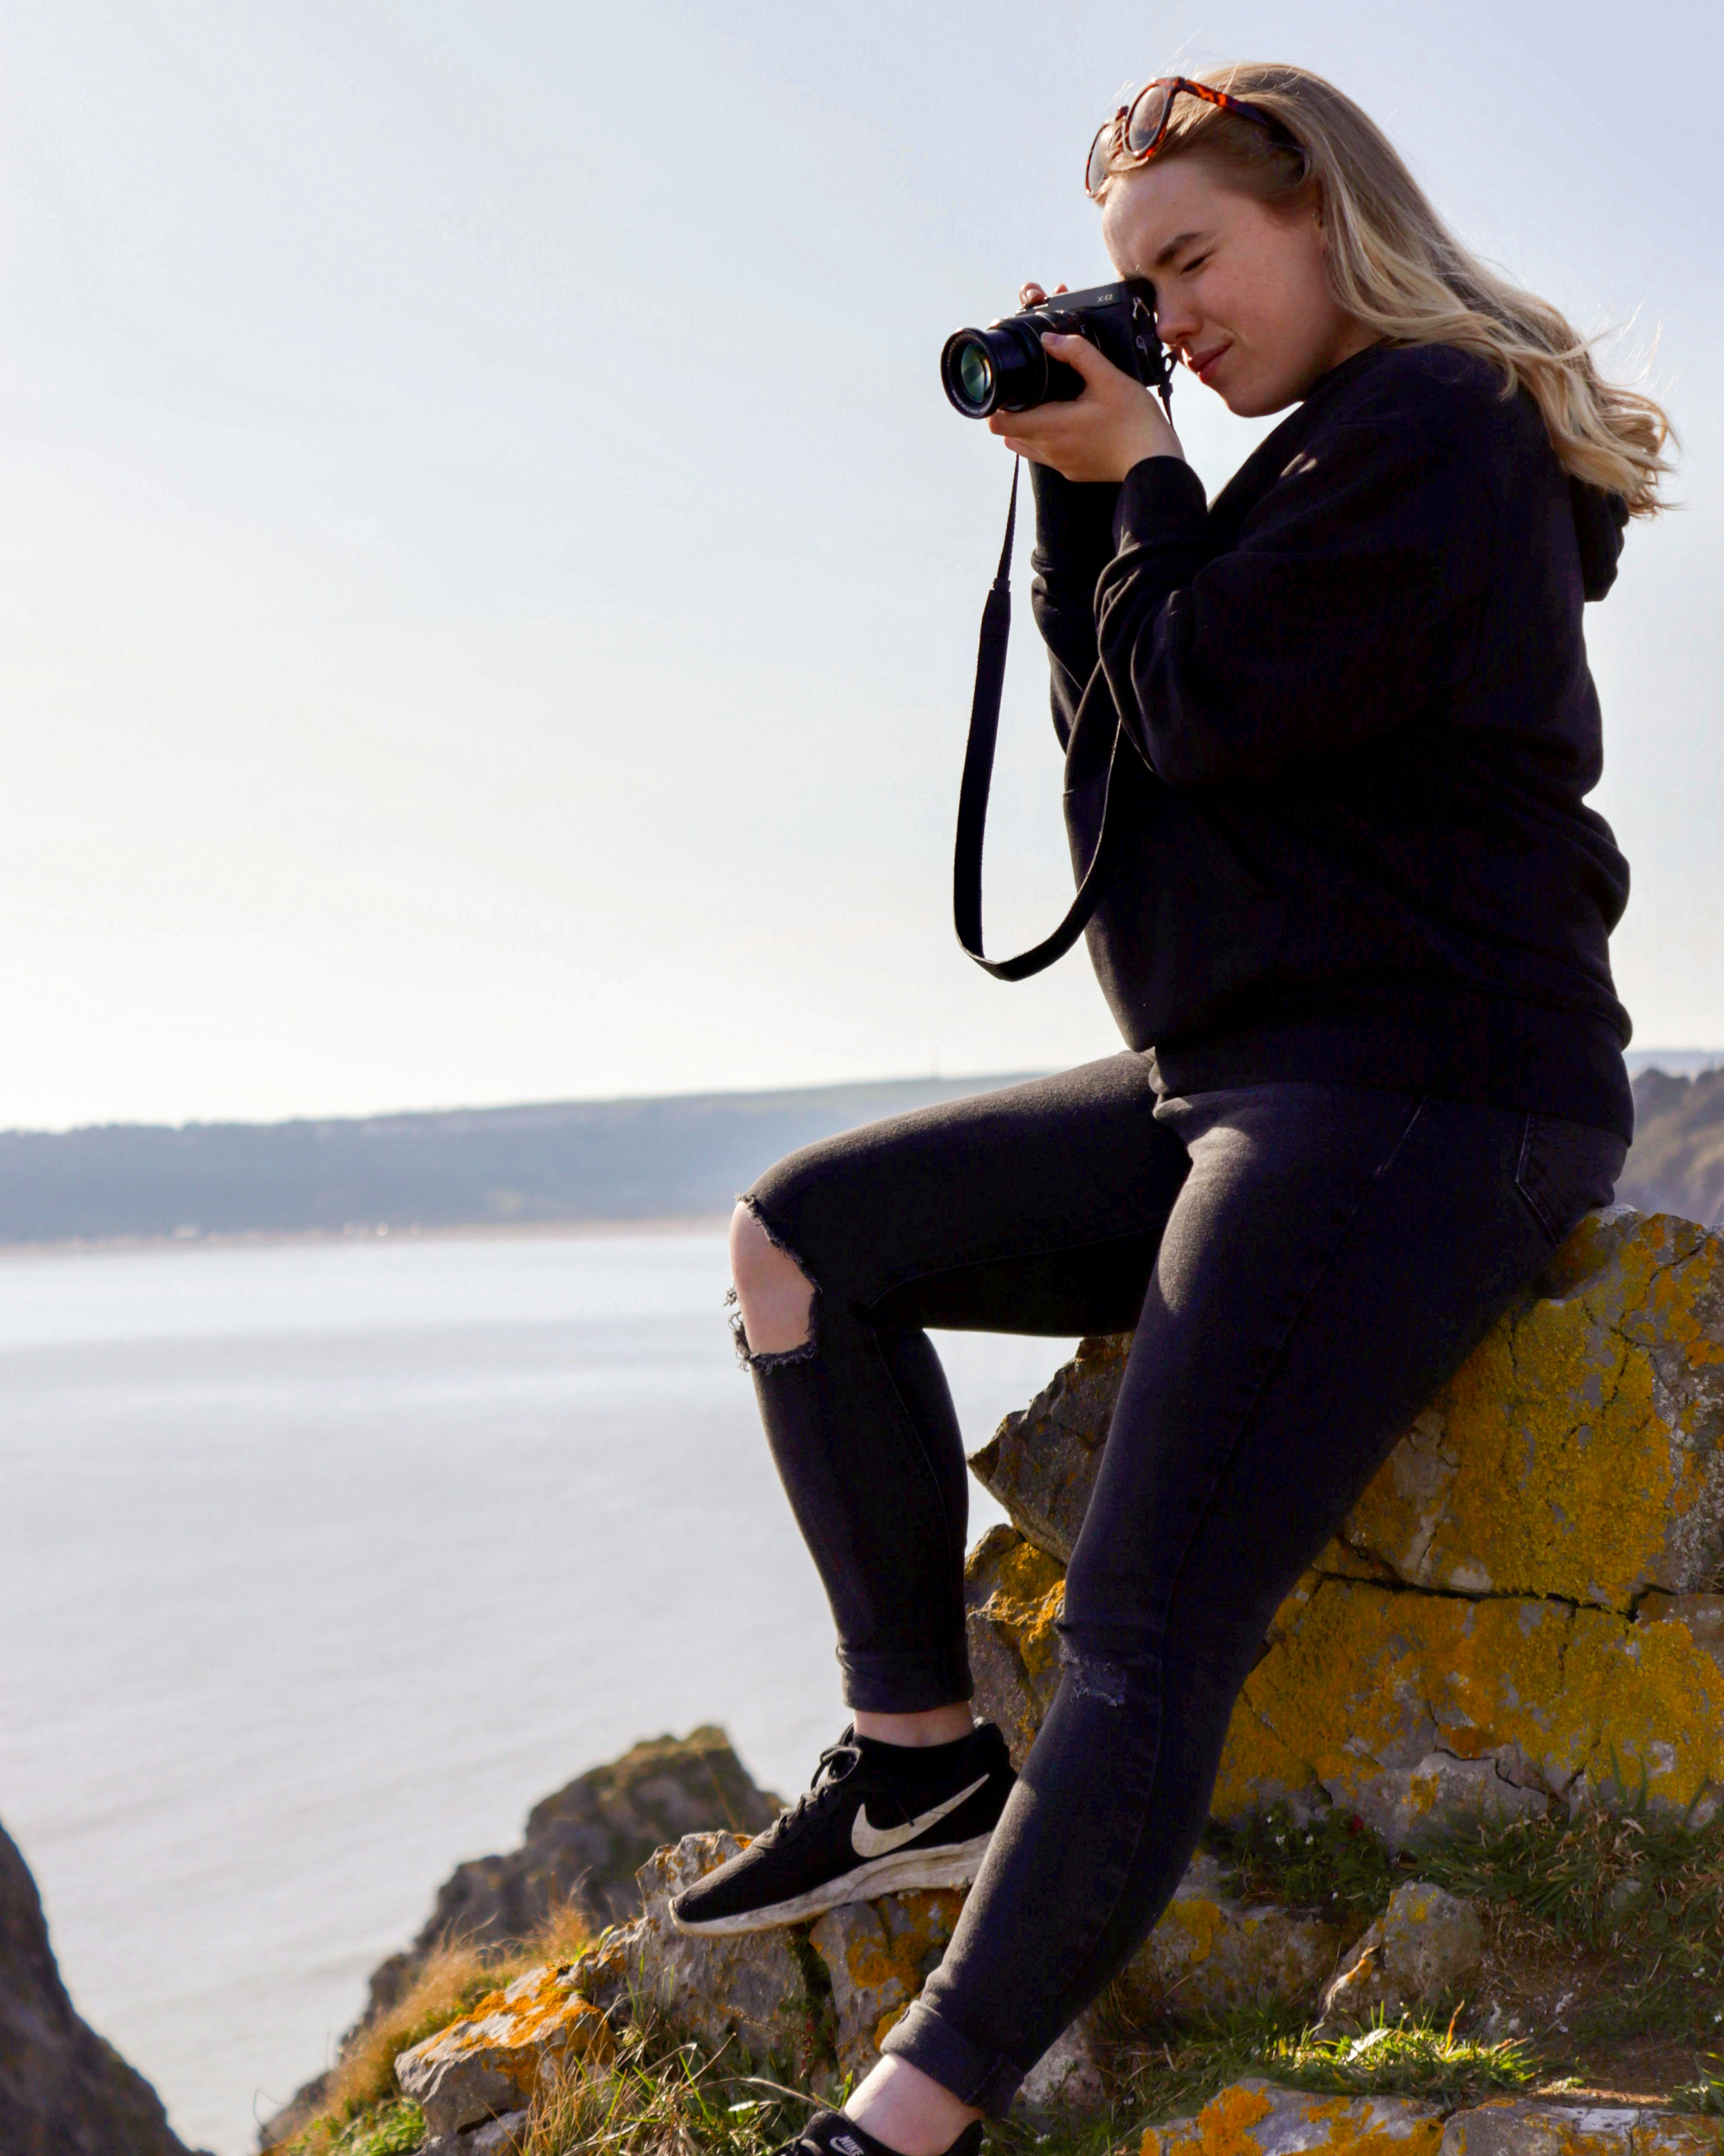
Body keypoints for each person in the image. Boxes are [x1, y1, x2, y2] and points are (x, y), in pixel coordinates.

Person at [671, 61, 1671, 2156]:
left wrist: (1145, 473)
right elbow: (1133, 752)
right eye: (1141, 283)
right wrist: (1079, 477)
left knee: (1142, 1628)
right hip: (1233, 1074)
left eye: (1192, 262)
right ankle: (918, 1751)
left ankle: (897, 2126)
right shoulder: (1296, 468)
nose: (1177, 317)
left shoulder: (1440, 429)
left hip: (1420, 1083)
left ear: (1320, 212)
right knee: (798, 1240)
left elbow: (1208, 699)